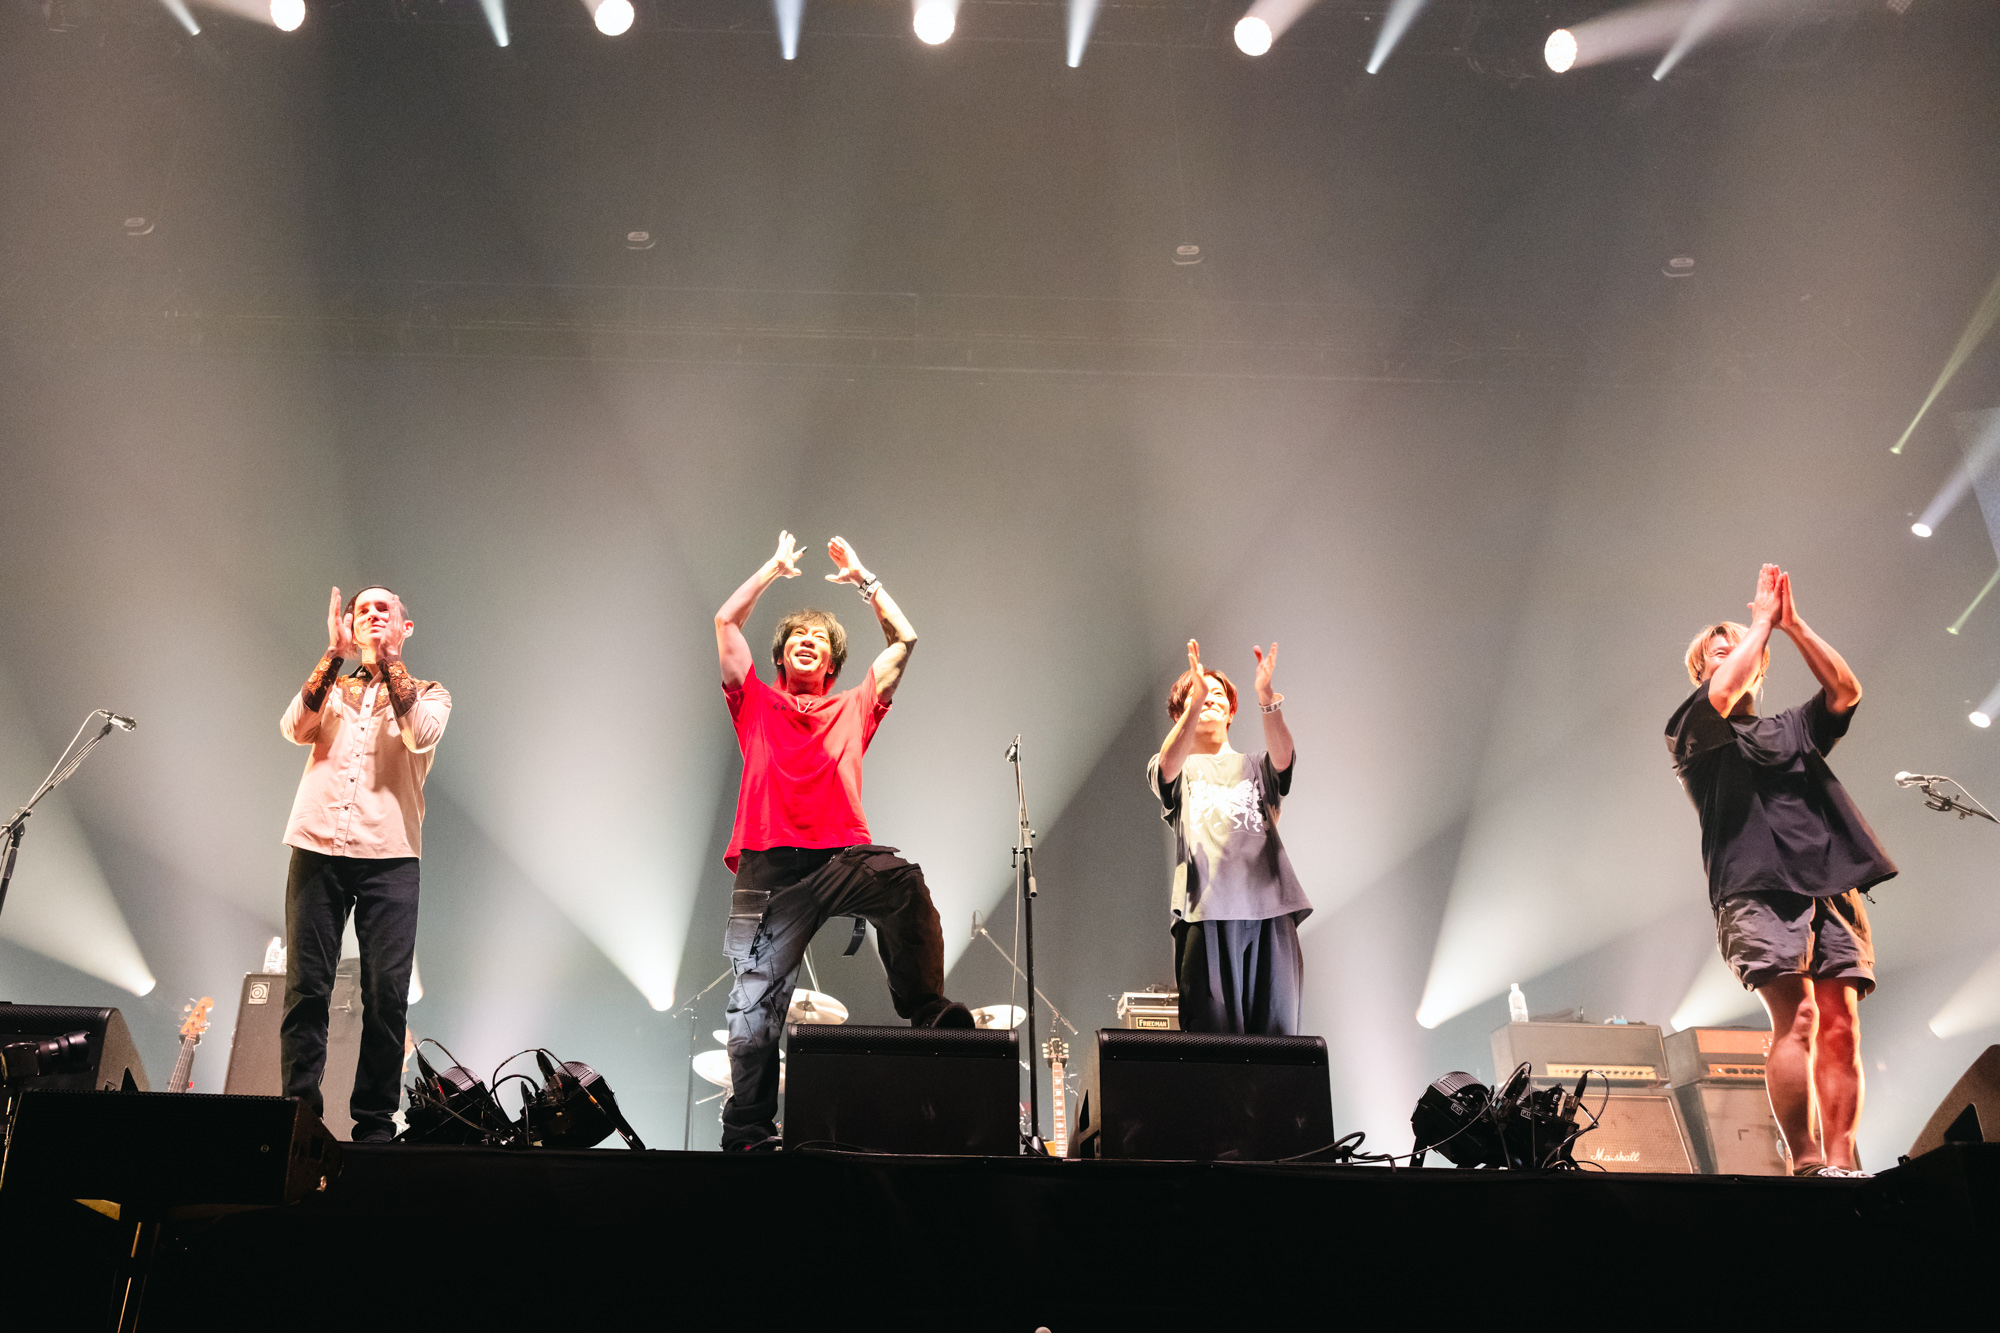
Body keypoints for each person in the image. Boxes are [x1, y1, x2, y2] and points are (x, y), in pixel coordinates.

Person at [714, 530, 971, 1152]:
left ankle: (929, 1011)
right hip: (768, 864)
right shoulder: (754, 702)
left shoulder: (855, 706)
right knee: (753, 1004)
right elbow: (726, 621)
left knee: (903, 884)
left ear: (831, 665)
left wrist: (864, 580)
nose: (807, 641)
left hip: (841, 857)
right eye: (797, 637)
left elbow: (904, 640)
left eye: (820, 640)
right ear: (781, 657)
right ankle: (747, 1131)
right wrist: (773, 569)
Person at [1665, 564, 1895, 1178]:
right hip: (1757, 886)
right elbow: (1722, 693)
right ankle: (1808, 1163)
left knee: (1841, 1027)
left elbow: (1845, 692)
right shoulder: (1693, 728)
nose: (1736, 655)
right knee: (1799, 1018)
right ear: (1703, 673)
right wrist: (1759, 623)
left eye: (1742, 648)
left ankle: (1845, 1165)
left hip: (1832, 886)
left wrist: (1791, 625)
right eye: (1720, 652)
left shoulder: (1791, 727)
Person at [279, 586, 451, 1142]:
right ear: (348, 625)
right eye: (362, 610)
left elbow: (419, 735)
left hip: (390, 854)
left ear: (405, 626)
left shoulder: (431, 693)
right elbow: (294, 729)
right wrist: (333, 655)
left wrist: (389, 661)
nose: (372, 616)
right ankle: (298, 1115)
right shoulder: (330, 686)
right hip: (316, 846)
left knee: (386, 994)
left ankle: (374, 1125)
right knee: (307, 988)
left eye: (384, 609)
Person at [1148, 638, 1311, 1034]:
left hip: (1270, 910)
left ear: (1232, 710)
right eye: (1198, 694)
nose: (1209, 699)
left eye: (1217, 694)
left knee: (1278, 1041)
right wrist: (1195, 702)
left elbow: (1284, 759)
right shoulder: (1178, 768)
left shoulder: (1255, 765)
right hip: (1205, 913)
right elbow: (1166, 767)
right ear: (1180, 713)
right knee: (1214, 1043)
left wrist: (1266, 697)